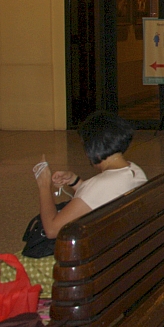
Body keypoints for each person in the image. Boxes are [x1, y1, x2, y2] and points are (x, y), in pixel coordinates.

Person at [17, 112, 147, 296]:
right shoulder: (134, 170)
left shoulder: (102, 184)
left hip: (100, 263)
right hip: (125, 251)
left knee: (8, 267)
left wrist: (43, 186)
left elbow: (52, 229)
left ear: (93, 148)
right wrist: (75, 181)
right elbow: (96, 200)